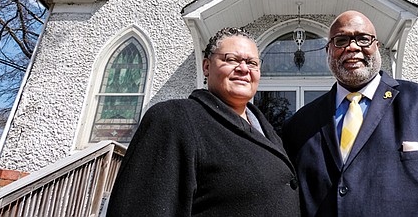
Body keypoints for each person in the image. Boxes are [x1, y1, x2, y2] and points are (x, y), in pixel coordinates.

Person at [281, 11, 418, 217]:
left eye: (363, 39)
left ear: (377, 46)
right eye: (341, 40)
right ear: (328, 51)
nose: (352, 47)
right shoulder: (299, 126)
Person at [106, 27, 300, 217]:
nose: (243, 69)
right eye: (231, 59)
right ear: (206, 66)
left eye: (252, 63)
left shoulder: (266, 130)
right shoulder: (175, 119)